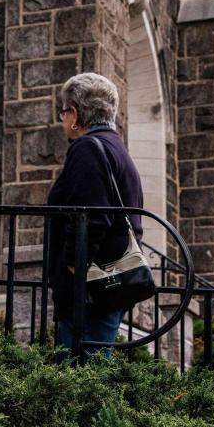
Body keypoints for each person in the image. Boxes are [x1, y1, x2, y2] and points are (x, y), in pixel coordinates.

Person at [46, 72, 143, 359]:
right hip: (106, 285)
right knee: (91, 375)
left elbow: (93, 215)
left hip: (89, 289)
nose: (63, 121)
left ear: (74, 114)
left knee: (79, 382)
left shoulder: (88, 148)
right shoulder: (116, 149)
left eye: (64, 113)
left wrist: (76, 263)